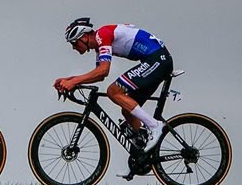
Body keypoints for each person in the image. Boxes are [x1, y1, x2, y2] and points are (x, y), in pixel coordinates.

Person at [54, 17, 173, 153]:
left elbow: (104, 69)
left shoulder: (102, 35)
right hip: (155, 60)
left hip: (158, 59)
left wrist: (73, 82)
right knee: (127, 110)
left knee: (113, 91)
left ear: (84, 37)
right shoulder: (99, 46)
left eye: (74, 43)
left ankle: (155, 126)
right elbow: (99, 75)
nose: (74, 48)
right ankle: (143, 155)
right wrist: (69, 80)